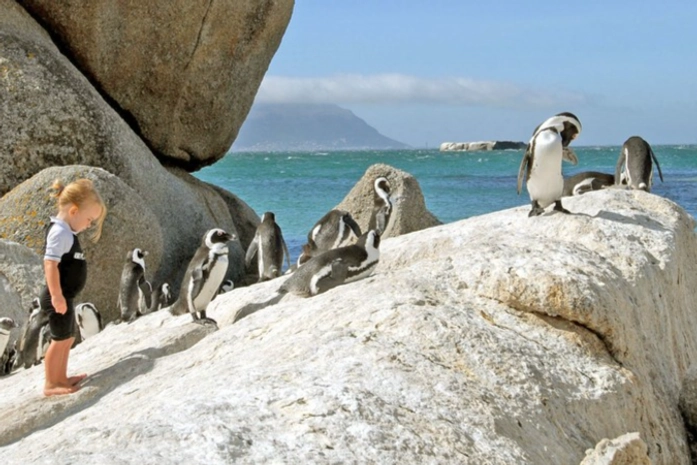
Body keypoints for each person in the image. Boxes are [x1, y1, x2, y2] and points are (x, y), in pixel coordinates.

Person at [41, 178, 106, 396]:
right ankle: (51, 383)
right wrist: (57, 295)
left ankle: (61, 377)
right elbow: (50, 264)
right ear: (74, 211)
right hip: (57, 296)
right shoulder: (60, 232)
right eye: (89, 219)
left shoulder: (68, 232)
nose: (88, 225)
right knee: (58, 340)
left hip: (64, 296)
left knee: (67, 338)